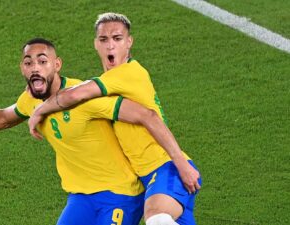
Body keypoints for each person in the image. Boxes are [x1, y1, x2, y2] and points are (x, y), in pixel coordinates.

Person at [0, 38, 177, 225]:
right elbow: (3, 118)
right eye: (28, 62)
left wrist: (176, 162)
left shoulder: (84, 97)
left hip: (120, 194)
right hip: (81, 197)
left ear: (57, 65)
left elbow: (143, 114)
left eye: (42, 61)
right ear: (22, 68)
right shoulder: (30, 100)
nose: (35, 68)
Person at [28, 13, 202, 225]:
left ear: (129, 42)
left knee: (157, 219)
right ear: (96, 44)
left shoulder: (128, 73)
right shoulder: (113, 80)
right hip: (149, 178)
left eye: (117, 39)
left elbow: (73, 95)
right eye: (104, 40)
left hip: (166, 168)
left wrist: (40, 110)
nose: (110, 46)